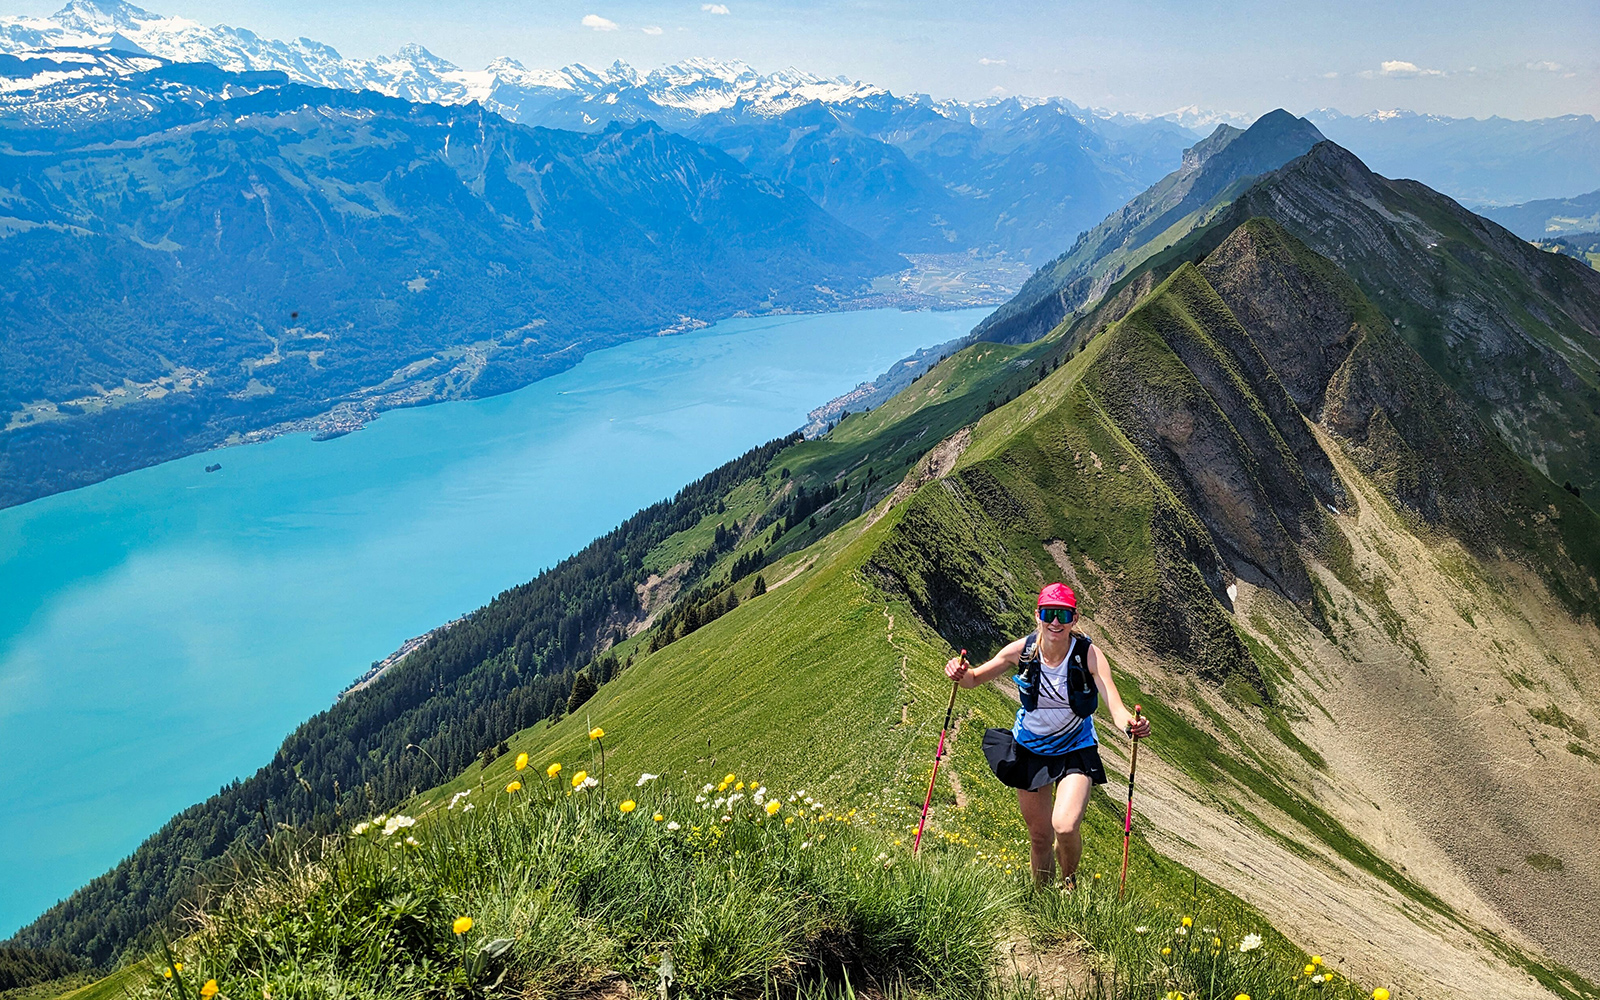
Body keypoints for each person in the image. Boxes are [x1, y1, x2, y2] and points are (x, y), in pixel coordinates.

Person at [944, 582, 1150, 887]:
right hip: (1029, 749)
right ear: (1038, 615)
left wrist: (1130, 725)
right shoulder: (1022, 651)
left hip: (1075, 748)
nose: (1056, 622)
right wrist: (958, 671)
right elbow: (974, 680)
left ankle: (1068, 883)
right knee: (1040, 838)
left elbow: (1115, 706)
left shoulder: (1089, 655)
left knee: (1065, 827)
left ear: (1074, 618)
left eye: (1063, 615)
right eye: (1050, 613)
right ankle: (1042, 905)